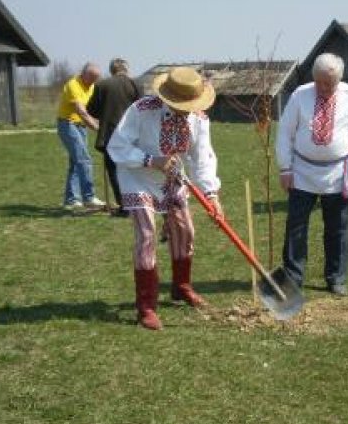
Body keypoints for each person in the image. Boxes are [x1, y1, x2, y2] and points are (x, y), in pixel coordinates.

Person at [108, 66, 223, 330]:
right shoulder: (141, 110)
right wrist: (151, 160)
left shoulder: (199, 119)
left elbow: (201, 157)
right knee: (147, 235)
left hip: (173, 177)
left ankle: (181, 287)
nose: (188, 110)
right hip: (137, 176)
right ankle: (146, 306)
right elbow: (117, 146)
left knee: (185, 231)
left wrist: (211, 193)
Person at [276, 53, 348, 296]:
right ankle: (293, 276)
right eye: (319, 82)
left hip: (339, 173)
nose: (322, 88)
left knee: (338, 228)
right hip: (301, 171)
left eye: (328, 83)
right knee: (296, 226)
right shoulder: (300, 95)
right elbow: (285, 133)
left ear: (339, 80)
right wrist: (285, 168)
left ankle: (336, 277)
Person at [87, 58, 141, 217]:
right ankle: (137, 203)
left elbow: (91, 109)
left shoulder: (101, 85)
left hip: (110, 134)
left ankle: (125, 207)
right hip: (132, 135)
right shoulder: (134, 85)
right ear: (126, 69)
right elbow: (142, 108)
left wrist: (104, 113)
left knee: (114, 171)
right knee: (133, 169)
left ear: (112, 70)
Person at [56, 62, 106, 210]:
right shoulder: (73, 85)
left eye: (95, 79)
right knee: (84, 159)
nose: (93, 82)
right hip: (68, 124)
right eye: (91, 78)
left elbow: (94, 109)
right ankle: (89, 197)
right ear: (83, 73)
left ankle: (71, 199)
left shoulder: (91, 86)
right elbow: (82, 111)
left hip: (80, 126)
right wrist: (98, 128)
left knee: (76, 162)